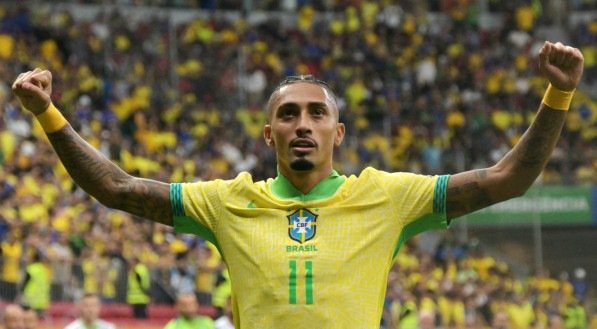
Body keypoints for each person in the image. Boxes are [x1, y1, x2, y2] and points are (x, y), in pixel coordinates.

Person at [11, 41, 584, 328]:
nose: (302, 125)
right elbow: (117, 187)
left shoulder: (388, 196)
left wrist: (558, 95)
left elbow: (509, 178)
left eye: (315, 114)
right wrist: (48, 115)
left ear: (338, 132)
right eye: (288, 115)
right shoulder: (229, 202)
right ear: (268, 134)